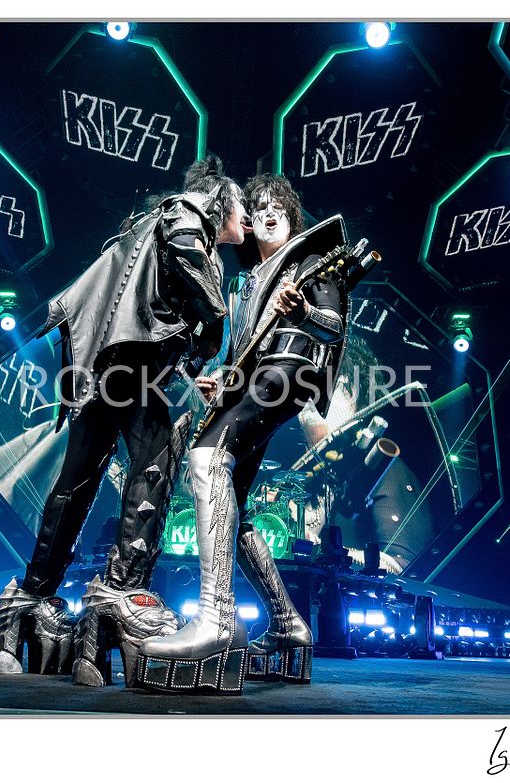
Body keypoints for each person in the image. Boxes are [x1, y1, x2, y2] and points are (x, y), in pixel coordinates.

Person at [0, 155, 248, 687]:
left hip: (112, 368)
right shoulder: (185, 213)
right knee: (151, 471)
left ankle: (32, 599)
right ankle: (120, 596)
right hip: (134, 369)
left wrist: (191, 363)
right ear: (219, 199)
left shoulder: (153, 221)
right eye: (240, 204)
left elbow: (150, 301)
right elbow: (191, 272)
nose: (245, 217)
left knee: (77, 484)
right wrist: (214, 327)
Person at [137, 173, 350, 693]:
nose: (268, 213)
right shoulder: (247, 282)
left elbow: (333, 325)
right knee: (233, 505)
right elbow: (243, 354)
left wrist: (304, 310)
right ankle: (287, 623)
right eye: (259, 207)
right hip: (255, 380)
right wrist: (221, 381)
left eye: (279, 206)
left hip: (290, 370)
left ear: (292, 217)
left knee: (206, 457)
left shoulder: (310, 257)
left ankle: (216, 620)